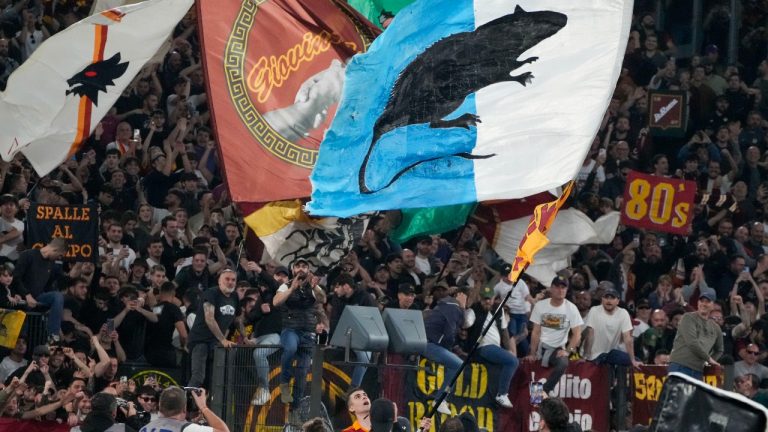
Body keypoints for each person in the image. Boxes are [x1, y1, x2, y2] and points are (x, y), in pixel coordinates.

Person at [273, 258, 326, 406]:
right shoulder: (285, 286)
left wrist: (315, 287)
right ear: (293, 270)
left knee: (302, 372)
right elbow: (276, 302)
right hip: (291, 329)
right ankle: (284, 383)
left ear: (309, 270)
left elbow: (323, 299)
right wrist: (292, 289)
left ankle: (295, 406)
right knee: (290, 348)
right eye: (298, 266)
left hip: (308, 332)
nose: (301, 269)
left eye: (304, 266)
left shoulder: (313, 286)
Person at [526, 276, 583, 396]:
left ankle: (543, 393)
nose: (560, 290)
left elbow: (577, 334)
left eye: (563, 287)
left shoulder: (571, 308)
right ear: (551, 288)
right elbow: (536, 332)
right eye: (557, 287)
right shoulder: (540, 306)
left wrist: (568, 351)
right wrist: (532, 352)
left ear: (567, 290)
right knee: (535, 372)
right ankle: (535, 405)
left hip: (557, 349)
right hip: (540, 346)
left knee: (563, 363)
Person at [464, 285, 518, 408]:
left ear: (494, 298)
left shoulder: (499, 310)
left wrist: (509, 349)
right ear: (480, 298)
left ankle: (496, 396)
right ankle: (502, 394)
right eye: (484, 299)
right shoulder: (474, 310)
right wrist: (466, 308)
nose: (487, 301)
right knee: (512, 362)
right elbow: (466, 324)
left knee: (510, 360)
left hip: (495, 347)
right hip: (481, 348)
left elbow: (504, 331)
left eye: (489, 299)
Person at [187, 270, 237, 387]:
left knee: (216, 380)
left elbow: (238, 319)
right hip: (201, 340)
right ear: (219, 281)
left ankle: (206, 404)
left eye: (233, 280)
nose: (230, 282)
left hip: (216, 343)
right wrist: (223, 339)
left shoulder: (234, 296)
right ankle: (185, 403)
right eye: (227, 279)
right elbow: (209, 318)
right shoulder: (211, 293)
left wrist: (245, 338)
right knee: (198, 378)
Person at [423, 286, 468, 415]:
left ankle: (440, 399)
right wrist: (463, 306)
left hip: (428, 342)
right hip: (429, 344)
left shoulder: (446, 305)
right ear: (461, 296)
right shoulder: (452, 307)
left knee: (454, 363)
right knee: (458, 365)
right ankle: (439, 400)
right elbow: (450, 333)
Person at [13, 237, 68, 342]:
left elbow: (48, 286)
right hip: (21, 299)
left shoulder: (51, 264)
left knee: (57, 296)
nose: (60, 258)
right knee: (22, 338)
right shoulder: (28, 255)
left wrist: (54, 307)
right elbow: (16, 278)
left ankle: (53, 335)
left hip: (38, 298)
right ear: (56, 249)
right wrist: (27, 295)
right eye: (60, 255)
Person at [329, 273, 376, 388]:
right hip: (343, 336)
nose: (335, 290)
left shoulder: (365, 297)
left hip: (362, 337)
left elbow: (373, 320)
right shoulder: (337, 299)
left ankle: (354, 387)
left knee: (364, 357)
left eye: (337, 287)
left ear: (345, 286)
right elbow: (334, 320)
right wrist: (332, 341)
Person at [668, 292, 724, 379]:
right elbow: (692, 343)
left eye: (707, 301)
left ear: (713, 306)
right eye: (701, 301)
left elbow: (719, 349)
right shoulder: (688, 318)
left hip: (698, 370)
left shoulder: (716, 327)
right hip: (680, 366)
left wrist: (708, 362)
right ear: (698, 303)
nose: (704, 304)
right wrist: (709, 359)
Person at [582, 287, 642, 367]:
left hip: (609, 355)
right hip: (594, 356)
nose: (609, 301)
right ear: (602, 299)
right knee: (616, 355)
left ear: (617, 301)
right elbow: (590, 334)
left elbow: (628, 338)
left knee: (635, 360)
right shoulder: (594, 311)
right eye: (606, 297)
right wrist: (586, 357)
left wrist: (632, 360)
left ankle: (619, 379)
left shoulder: (623, 313)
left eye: (612, 298)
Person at [138, 386, 229, 432]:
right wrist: (203, 407)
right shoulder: (188, 429)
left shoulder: (144, 429)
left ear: (160, 406)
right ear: (184, 409)